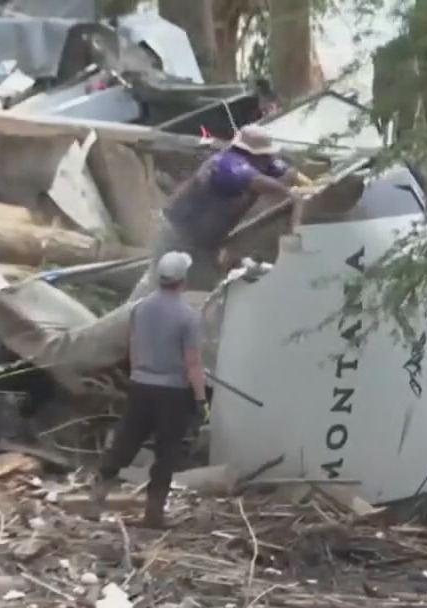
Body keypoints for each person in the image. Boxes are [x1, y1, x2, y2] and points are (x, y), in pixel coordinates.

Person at [127, 124, 313, 301]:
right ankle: (129, 319)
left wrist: (309, 185)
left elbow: (287, 171)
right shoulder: (225, 165)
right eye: (267, 155)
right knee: (165, 284)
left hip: (204, 242)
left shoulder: (262, 163)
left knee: (198, 285)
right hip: (179, 233)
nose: (270, 160)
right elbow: (255, 180)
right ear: (254, 154)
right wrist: (289, 193)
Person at [90, 251, 209, 528]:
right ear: (183, 280)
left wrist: (138, 375)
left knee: (125, 442)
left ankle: (97, 496)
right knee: (166, 452)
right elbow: (193, 363)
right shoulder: (188, 316)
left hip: (141, 387)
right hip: (173, 393)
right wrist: (201, 398)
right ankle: (153, 514)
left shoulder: (140, 308)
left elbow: (134, 347)